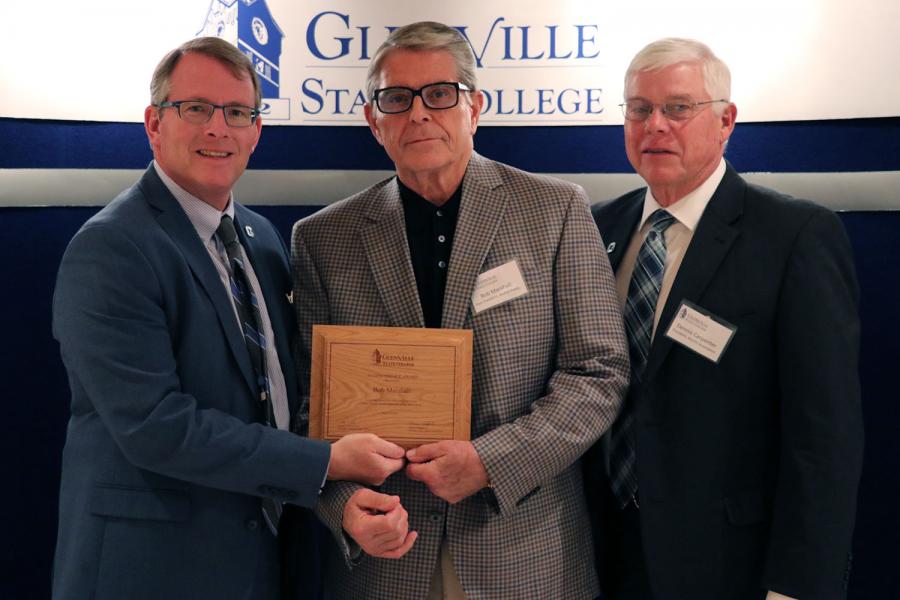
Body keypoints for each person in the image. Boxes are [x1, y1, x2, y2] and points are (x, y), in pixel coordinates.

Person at [51, 37, 409, 600]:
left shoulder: (260, 240)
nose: (219, 128)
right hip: (151, 570)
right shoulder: (113, 247)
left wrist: (334, 495)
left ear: (256, 131)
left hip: (260, 562)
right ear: (154, 123)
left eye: (238, 112)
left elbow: (278, 401)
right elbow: (156, 426)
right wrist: (327, 461)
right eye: (196, 108)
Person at [290, 20, 629, 600]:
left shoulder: (555, 211)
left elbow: (598, 373)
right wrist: (345, 507)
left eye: (440, 94)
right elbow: (307, 406)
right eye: (397, 98)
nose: (419, 113)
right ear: (374, 121)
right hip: (384, 563)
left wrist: (489, 462)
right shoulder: (323, 238)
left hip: (527, 557)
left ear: (475, 106)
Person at [584, 38, 864, 600]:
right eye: (639, 109)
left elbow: (825, 436)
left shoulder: (794, 236)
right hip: (599, 553)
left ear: (725, 121)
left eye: (678, 108)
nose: (655, 126)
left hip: (729, 562)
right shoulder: (593, 229)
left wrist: (799, 585)